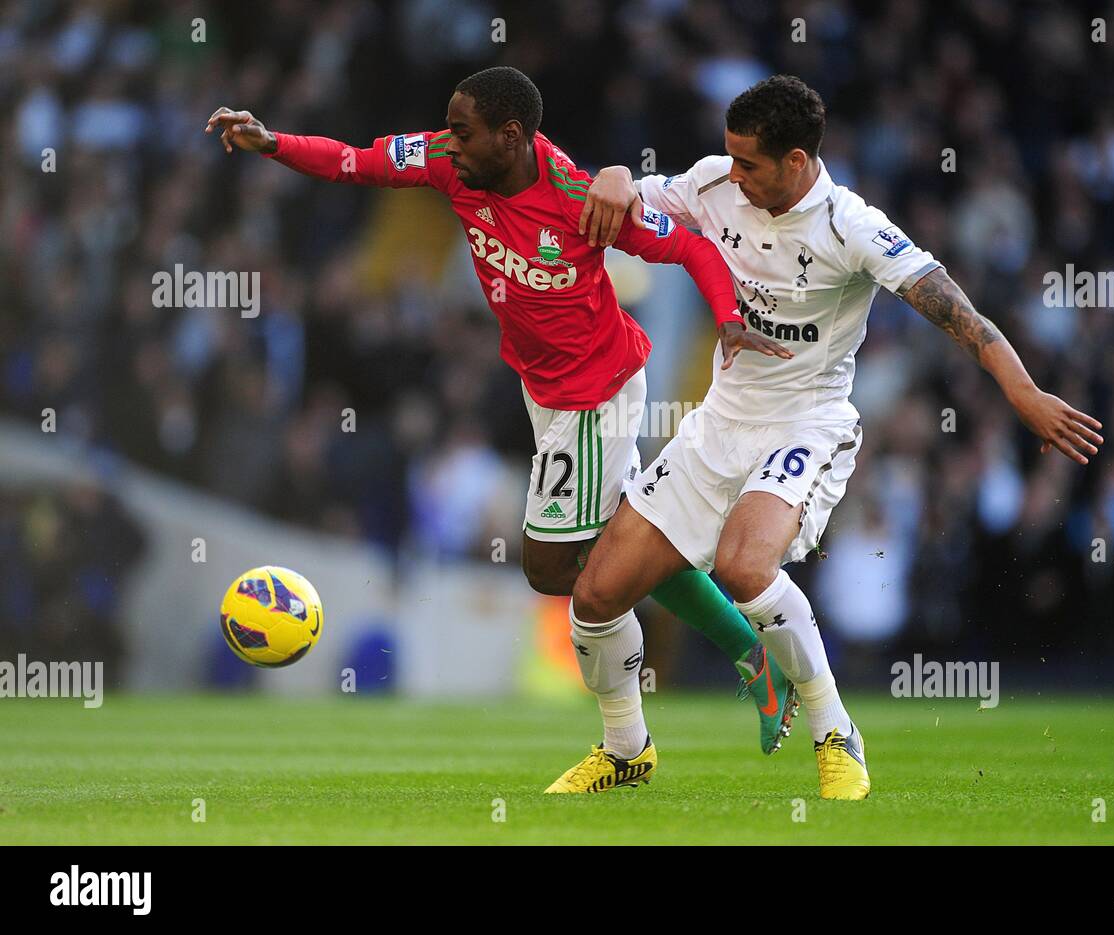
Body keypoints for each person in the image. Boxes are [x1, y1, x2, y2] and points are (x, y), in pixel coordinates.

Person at [206, 66, 800, 764]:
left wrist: (727, 319)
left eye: (463, 132)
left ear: (511, 136)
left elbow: (693, 246)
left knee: (550, 569)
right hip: (541, 386)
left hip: (596, 391)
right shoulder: (448, 163)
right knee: (620, 543)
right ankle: (745, 653)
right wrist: (273, 141)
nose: (448, 144)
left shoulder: (582, 198)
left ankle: (640, 733)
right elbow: (354, 162)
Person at [552, 75, 1104, 798]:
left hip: (806, 423)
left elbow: (957, 312)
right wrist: (618, 174)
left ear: (796, 162)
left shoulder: (851, 226)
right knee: (594, 595)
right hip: (718, 422)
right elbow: (625, 193)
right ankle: (627, 750)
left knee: (744, 568)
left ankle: (834, 729)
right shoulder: (715, 183)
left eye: (749, 162)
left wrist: (1022, 391)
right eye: (730, 157)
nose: (733, 173)